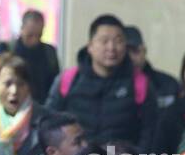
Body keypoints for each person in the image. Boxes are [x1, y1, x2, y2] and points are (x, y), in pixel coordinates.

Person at [44, 14, 157, 146]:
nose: (111, 48)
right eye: (104, 41)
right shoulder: (68, 79)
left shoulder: (140, 83)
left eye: (118, 41)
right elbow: (48, 124)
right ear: (90, 46)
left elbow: (149, 133)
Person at [0, 10, 60, 104]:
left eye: (38, 35)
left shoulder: (49, 52)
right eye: (30, 35)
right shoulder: (5, 49)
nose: (34, 40)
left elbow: (55, 85)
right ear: (22, 28)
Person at [125, 26, 180, 112]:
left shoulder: (169, 84)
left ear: (144, 50)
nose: (131, 58)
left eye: (135, 51)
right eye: (125, 53)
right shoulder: (111, 88)